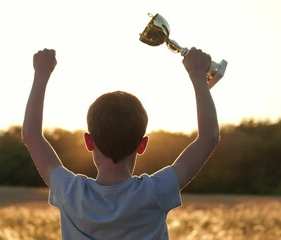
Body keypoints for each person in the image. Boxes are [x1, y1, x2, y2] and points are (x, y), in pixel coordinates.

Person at [22, 47, 220, 239]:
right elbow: (208, 138)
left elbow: (31, 135)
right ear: (142, 145)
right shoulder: (155, 192)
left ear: (88, 142)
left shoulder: (70, 192)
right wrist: (197, 76)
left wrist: (41, 74)